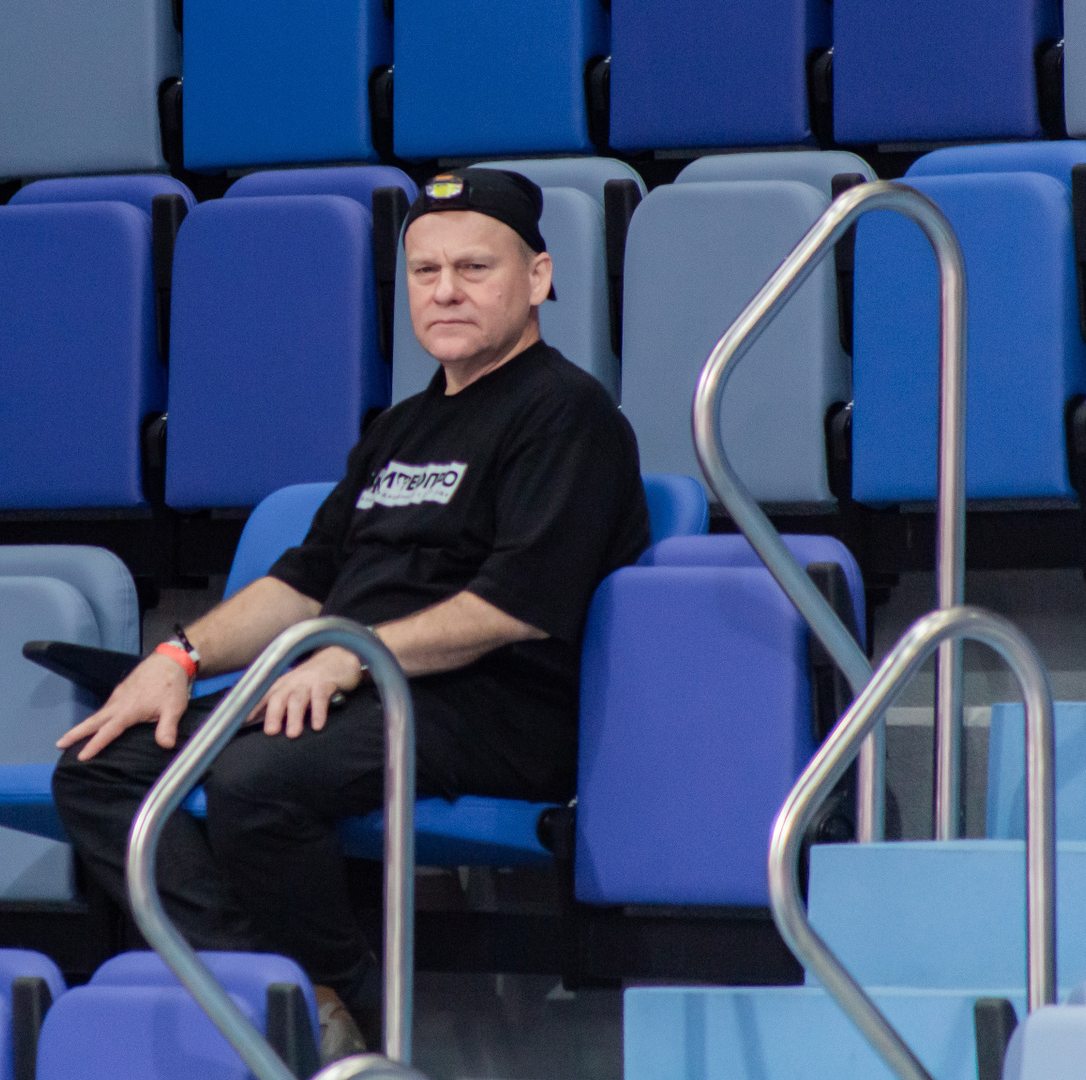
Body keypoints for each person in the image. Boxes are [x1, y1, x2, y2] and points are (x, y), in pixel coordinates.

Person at [50, 168, 652, 1059]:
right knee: (101, 766)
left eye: (474, 268)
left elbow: (512, 608)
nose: (445, 291)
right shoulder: (398, 428)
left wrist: (350, 656)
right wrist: (177, 657)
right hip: (352, 688)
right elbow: (305, 582)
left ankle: (355, 1012)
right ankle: (285, 997)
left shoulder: (570, 416)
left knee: (255, 781)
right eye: (425, 271)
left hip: (491, 707)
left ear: (537, 278)